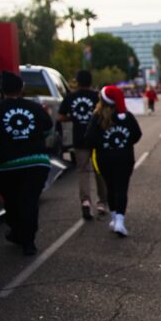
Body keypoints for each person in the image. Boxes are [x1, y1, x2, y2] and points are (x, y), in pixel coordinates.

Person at [0, 71, 52, 255]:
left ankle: (17, 231)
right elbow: (47, 129)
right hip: (35, 162)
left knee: (12, 200)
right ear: (22, 88)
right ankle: (28, 241)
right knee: (29, 201)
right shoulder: (36, 108)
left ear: (2, 89)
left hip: (2, 166)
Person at [85, 86, 142, 237]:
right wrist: (125, 142)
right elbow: (137, 135)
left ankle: (114, 219)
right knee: (122, 189)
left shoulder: (97, 117)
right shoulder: (127, 116)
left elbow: (89, 138)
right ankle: (120, 222)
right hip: (125, 157)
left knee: (110, 187)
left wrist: (102, 144)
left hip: (105, 158)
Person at [57, 69, 108, 220]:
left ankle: (85, 201)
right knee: (99, 171)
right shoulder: (97, 97)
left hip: (79, 139)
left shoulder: (70, 97)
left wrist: (74, 118)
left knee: (83, 171)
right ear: (91, 82)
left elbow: (60, 117)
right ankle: (102, 202)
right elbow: (105, 116)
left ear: (77, 82)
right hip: (97, 139)